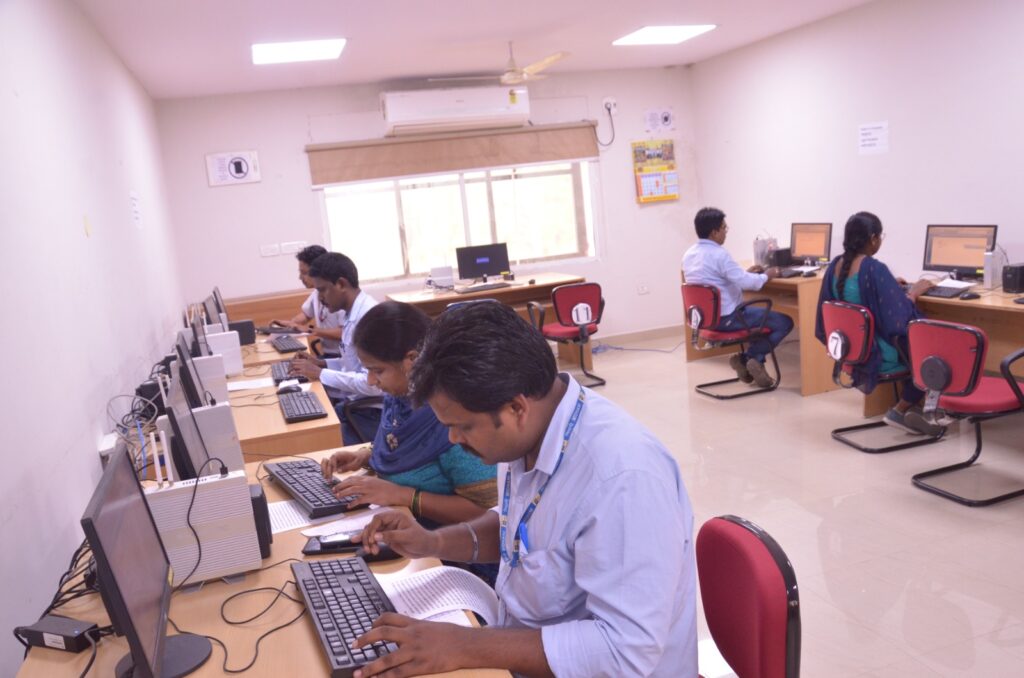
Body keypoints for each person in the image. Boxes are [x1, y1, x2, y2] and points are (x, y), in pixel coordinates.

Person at [349, 302, 697, 678]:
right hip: (523, 649)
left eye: (463, 426)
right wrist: (432, 543)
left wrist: (465, 646)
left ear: (516, 408)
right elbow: (519, 529)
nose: (452, 438)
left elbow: (624, 651)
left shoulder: (622, 480)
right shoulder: (531, 429)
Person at [319, 300, 497, 524]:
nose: (371, 381)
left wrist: (401, 495)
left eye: (378, 371)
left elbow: (486, 512)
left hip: (438, 539)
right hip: (397, 523)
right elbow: (398, 444)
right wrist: (365, 456)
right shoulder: (400, 398)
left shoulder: (454, 417)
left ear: (412, 360)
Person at [815, 211, 941, 435]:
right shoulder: (873, 269)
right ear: (873, 238)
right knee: (933, 349)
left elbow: (859, 298)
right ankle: (901, 410)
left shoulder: (835, 266)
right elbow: (898, 319)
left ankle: (913, 406)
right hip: (877, 354)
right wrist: (913, 293)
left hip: (852, 350)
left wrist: (888, 286)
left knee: (914, 343)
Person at [682, 207, 794, 387]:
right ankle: (751, 358)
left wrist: (744, 274)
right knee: (784, 322)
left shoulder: (689, 255)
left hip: (705, 321)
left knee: (759, 319)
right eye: (724, 228)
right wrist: (768, 275)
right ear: (714, 232)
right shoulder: (719, 254)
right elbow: (748, 284)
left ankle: (748, 361)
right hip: (728, 319)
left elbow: (716, 280)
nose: (726, 232)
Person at [288, 252, 383, 444]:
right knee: (303, 429)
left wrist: (320, 373)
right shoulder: (351, 313)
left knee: (308, 441)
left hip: (370, 413)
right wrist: (321, 363)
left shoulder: (369, 319)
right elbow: (352, 365)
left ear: (341, 284)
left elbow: (372, 385)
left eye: (322, 290)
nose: (320, 298)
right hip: (354, 407)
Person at [271, 244, 344, 357]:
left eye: (304, 273)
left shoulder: (338, 296)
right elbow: (306, 315)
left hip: (340, 356)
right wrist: (290, 324)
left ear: (319, 271)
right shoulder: (316, 293)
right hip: (328, 354)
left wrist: (309, 330)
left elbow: (343, 333)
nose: (300, 277)